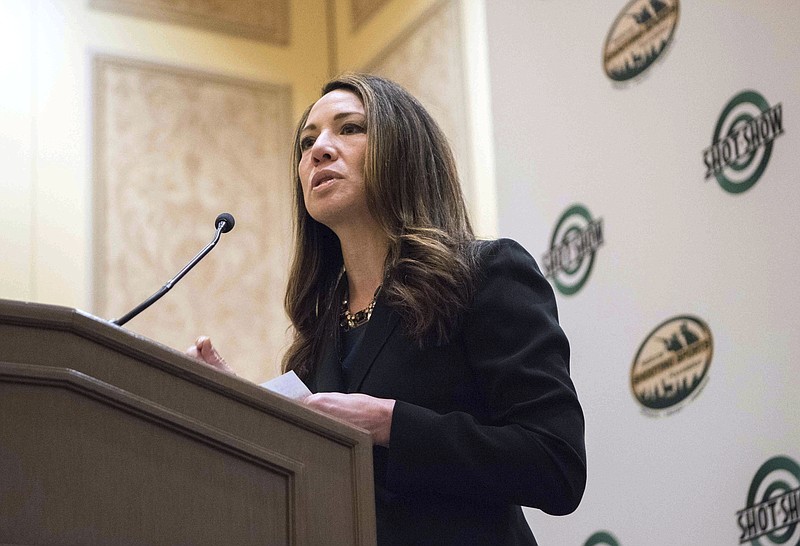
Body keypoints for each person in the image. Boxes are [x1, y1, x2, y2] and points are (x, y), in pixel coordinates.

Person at [188, 73, 586, 546]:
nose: (318, 150)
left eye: (350, 128)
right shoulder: (317, 339)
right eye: (307, 141)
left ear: (404, 150)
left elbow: (556, 464)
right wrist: (246, 411)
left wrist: (390, 423)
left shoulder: (487, 274)